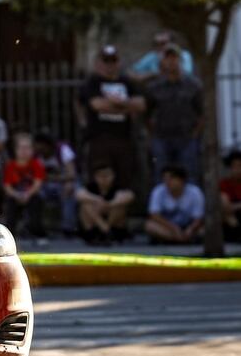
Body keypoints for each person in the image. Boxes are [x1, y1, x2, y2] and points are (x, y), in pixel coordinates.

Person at [79, 45, 145, 189]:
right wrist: (124, 107)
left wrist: (118, 103)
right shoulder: (93, 82)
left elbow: (140, 104)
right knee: (99, 180)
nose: (109, 65)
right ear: (99, 63)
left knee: (124, 179)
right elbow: (97, 105)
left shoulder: (127, 82)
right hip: (99, 139)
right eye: (106, 61)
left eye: (113, 61)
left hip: (123, 138)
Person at [146, 44, 203, 183]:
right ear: (162, 62)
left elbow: (202, 112)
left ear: (180, 60)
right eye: (168, 58)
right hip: (162, 138)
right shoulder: (154, 87)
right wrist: (153, 133)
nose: (171, 61)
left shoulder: (193, 85)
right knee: (161, 175)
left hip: (187, 139)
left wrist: (195, 134)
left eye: (174, 57)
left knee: (189, 176)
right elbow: (147, 113)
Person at [75, 162, 134, 245]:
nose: (104, 178)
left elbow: (129, 196)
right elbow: (79, 195)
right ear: (95, 177)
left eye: (107, 175)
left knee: (120, 206)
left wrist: (110, 204)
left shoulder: (118, 187)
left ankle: (107, 232)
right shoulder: (90, 187)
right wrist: (97, 200)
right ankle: (104, 231)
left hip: (114, 225)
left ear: (113, 175)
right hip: (94, 226)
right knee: (85, 205)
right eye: (101, 176)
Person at [2, 133, 47, 242]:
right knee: (10, 209)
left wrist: (28, 194)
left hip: (32, 195)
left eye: (27, 148)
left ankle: (39, 234)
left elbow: (38, 183)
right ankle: (9, 237)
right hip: (15, 195)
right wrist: (16, 195)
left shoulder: (36, 164)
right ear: (16, 150)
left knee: (36, 206)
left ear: (32, 150)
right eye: (21, 148)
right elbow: (7, 186)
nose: (24, 151)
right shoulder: (10, 166)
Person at [146, 165, 204, 244]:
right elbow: (154, 215)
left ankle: (177, 239)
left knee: (204, 229)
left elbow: (198, 217)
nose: (167, 182)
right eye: (165, 179)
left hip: (189, 226)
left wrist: (190, 229)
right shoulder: (158, 191)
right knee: (150, 226)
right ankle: (180, 239)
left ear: (182, 180)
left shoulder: (195, 192)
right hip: (167, 227)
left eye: (171, 179)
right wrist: (173, 228)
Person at [34, 132, 78, 235]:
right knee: (35, 193)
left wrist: (53, 178)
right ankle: (36, 227)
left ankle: (68, 228)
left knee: (69, 190)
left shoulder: (63, 150)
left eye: (42, 148)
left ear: (48, 146)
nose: (40, 151)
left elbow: (72, 175)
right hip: (44, 185)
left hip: (63, 183)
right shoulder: (36, 154)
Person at [220, 151, 241, 242]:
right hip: (231, 219)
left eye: (240, 166)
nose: (238, 170)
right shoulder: (224, 184)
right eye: (234, 166)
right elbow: (226, 207)